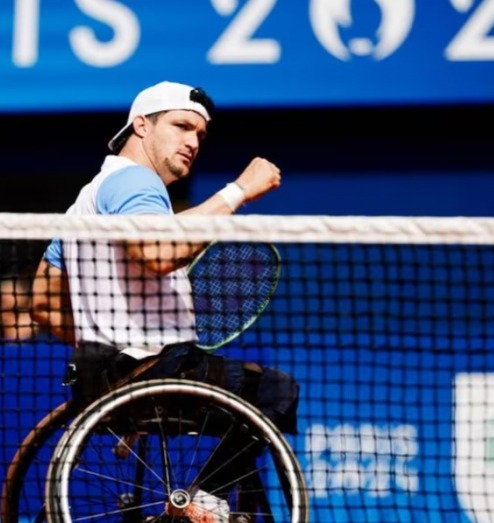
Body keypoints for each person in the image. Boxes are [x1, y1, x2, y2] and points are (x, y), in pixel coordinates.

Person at [30, 80, 298, 523]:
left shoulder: (86, 200)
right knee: (277, 391)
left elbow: (41, 301)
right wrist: (239, 192)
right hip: (158, 370)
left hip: (101, 375)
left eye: (200, 135)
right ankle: (206, 499)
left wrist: (109, 350)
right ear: (140, 125)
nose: (193, 142)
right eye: (181, 126)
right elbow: (159, 252)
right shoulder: (136, 181)